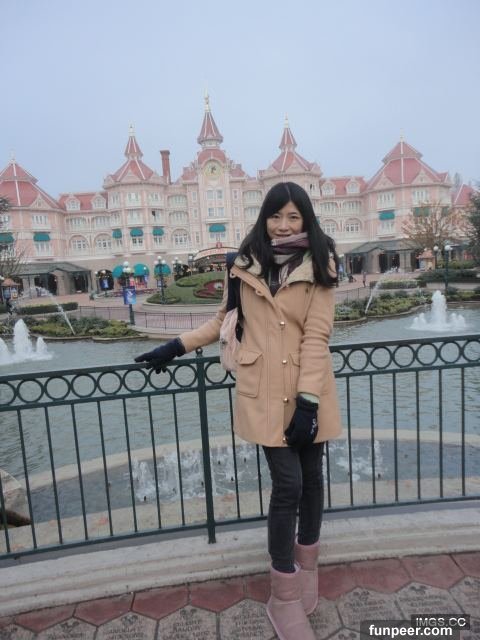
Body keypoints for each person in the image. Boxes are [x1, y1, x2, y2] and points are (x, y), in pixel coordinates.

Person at [134, 182, 342, 640]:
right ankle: (283, 592)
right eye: (276, 216)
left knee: (312, 481)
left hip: (309, 390)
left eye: (293, 216)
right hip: (262, 391)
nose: (283, 225)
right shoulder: (243, 264)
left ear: (306, 219)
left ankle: (308, 567)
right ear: (264, 218)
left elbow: (316, 336)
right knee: (288, 485)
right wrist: (175, 346)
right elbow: (223, 320)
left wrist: (308, 402)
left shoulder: (321, 261)